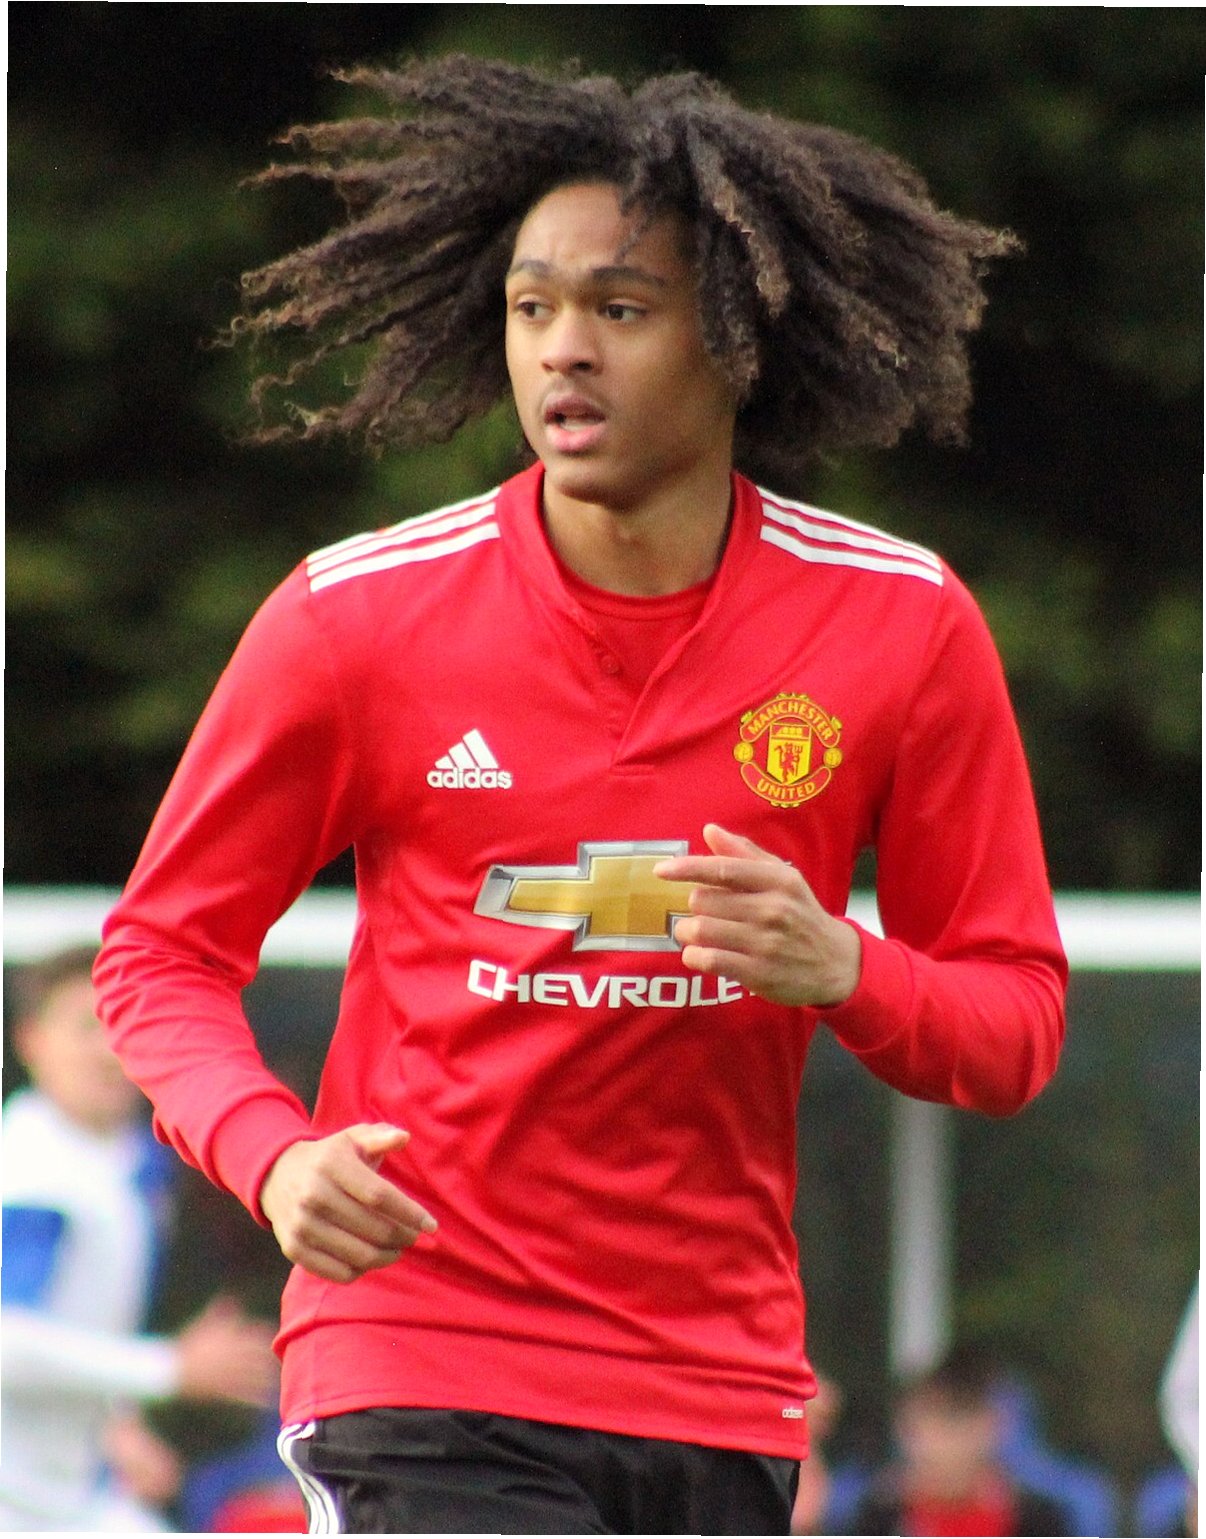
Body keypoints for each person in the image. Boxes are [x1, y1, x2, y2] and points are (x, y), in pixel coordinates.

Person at [93, 56, 1067, 1536]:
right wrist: (270, 1152)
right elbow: (159, 952)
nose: (561, 350)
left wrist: (845, 966)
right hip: (419, 1355)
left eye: (619, 309)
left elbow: (1013, 1027)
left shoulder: (901, 624)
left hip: (714, 1387)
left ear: (740, 336)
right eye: (531, 306)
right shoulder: (355, 618)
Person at [1, 944, 280, 1531]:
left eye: (119, 1026)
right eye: (85, 1028)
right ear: (31, 1040)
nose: (107, 1050)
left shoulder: (122, 1161)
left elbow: (72, 1325)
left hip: (69, 1493)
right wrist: (170, 1368)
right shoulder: (30, 1171)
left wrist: (115, 1427)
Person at [852, 1351, 1070, 1536]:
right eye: (921, 1426)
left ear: (990, 1425)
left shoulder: (1035, 1520)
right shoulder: (879, 1517)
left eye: (951, 1422)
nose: (935, 1444)